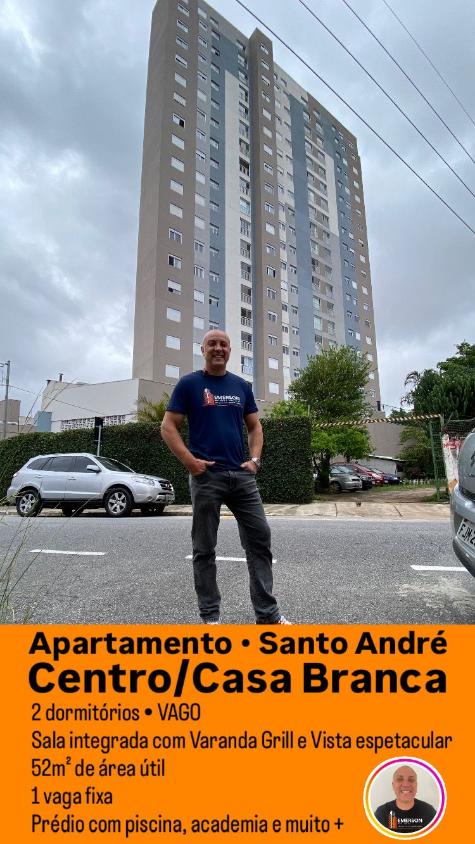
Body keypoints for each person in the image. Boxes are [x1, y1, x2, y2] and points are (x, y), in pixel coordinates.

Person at [160, 329, 289, 625]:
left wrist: (254, 460)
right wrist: (190, 462)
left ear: (230, 350)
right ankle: (210, 618)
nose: (218, 348)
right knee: (204, 548)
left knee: (260, 539)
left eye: (223, 344)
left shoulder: (241, 386)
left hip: (242, 477)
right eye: (212, 344)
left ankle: (268, 615)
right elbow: (168, 426)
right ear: (202, 349)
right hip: (207, 477)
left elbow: (255, 427)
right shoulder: (189, 384)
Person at [374, 765, 436, 833]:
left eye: (411, 780)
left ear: (416, 785)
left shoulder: (429, 812)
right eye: (399, 779)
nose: (406, 784)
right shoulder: (381, 813)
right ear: (393, 785)